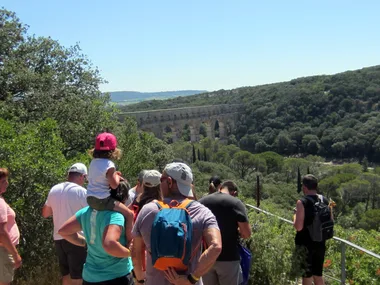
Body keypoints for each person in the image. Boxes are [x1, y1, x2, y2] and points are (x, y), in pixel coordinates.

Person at [132, 162, 222, 285]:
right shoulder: (203, 212)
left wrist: (139, 280)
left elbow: (135, 252)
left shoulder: (148, 210)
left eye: (161, 180)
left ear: (169, 182)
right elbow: (216, 246)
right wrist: (192, 278)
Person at [58, 180, 134, 285]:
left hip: (90, 278)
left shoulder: (86, 212)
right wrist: (130, 253)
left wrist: (85, 242)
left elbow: (63, 231)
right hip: (116, 276)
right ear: (124, 197)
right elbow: (109, 244)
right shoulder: (115, 216)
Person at [42, 163, 88, 285]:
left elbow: (45, 213)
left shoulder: (54, 189)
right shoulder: (82, 192)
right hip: (76, 238)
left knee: (66, 275)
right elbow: (93, 215)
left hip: (58, 239)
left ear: (69, 175)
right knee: (78, 276)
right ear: (82, 176)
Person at [199, 181, 251, 285]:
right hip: (229, 258)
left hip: (205, 258)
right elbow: (246, 234)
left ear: (220, 187)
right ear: (234, 193)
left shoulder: (202, 202)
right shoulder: (235, 203)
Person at [86, 132, 133, 243]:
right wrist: (117, 175)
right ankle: (129, 243)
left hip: (90, 199)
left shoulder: (93, 162)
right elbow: (114, 185)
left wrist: (114, 174)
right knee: (129, 214)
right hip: (102, 200)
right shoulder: (109, 164)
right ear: (113, 150)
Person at [293, 174, 331, 285]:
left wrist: (295, 215)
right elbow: (331, 220)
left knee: (307, 276)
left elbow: (298, 227)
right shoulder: (325, 200)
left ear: (304, 187)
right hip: (320, 243)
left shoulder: (302, 202)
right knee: (318, 275)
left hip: (305, 244)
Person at [0, 168, 22, 285]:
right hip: (3, 250)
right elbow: (2, 232)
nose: (7, 184)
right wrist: (15, 254)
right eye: (3, 181)